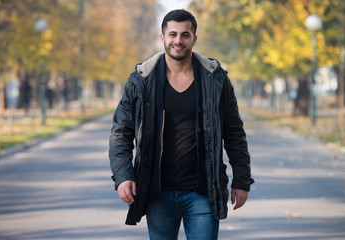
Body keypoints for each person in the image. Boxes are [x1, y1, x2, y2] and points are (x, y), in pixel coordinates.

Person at [109, 9, 254, 240]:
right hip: (157, 192)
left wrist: (242, 179)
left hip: (204, 192)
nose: (178, 40)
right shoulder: (141, 81)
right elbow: (121, 133)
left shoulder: (215, 79)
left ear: (194, 39)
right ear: (163, 38)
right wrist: (124, 175)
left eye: (185, 35)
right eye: (172, 34)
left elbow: (234, 131)